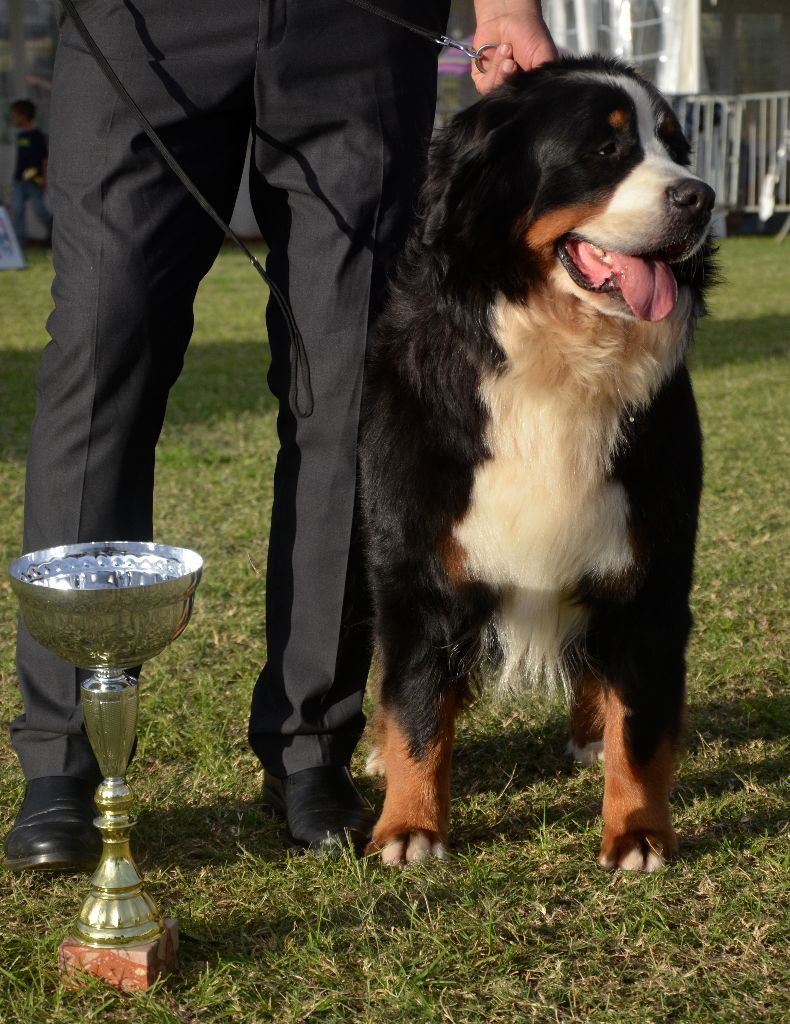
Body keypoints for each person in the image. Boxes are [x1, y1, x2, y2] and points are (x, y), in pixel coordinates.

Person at [4, 0, 557, 872]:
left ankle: (311, 746)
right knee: (102, 352)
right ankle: (65, 758)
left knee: (345, 383)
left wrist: (506, 5)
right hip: (141, 24)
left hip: (360, 27)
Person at [9, 99, 53, 247]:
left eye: (15, 115)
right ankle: (19, 242)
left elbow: (44, 159)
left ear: (24, 115)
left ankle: (54, 233)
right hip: (19, 180)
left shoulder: (37, 136)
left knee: (40, 210)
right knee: (17, 210)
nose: (14, 118)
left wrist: (45, 178)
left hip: (35, 180)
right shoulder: (20, 136)